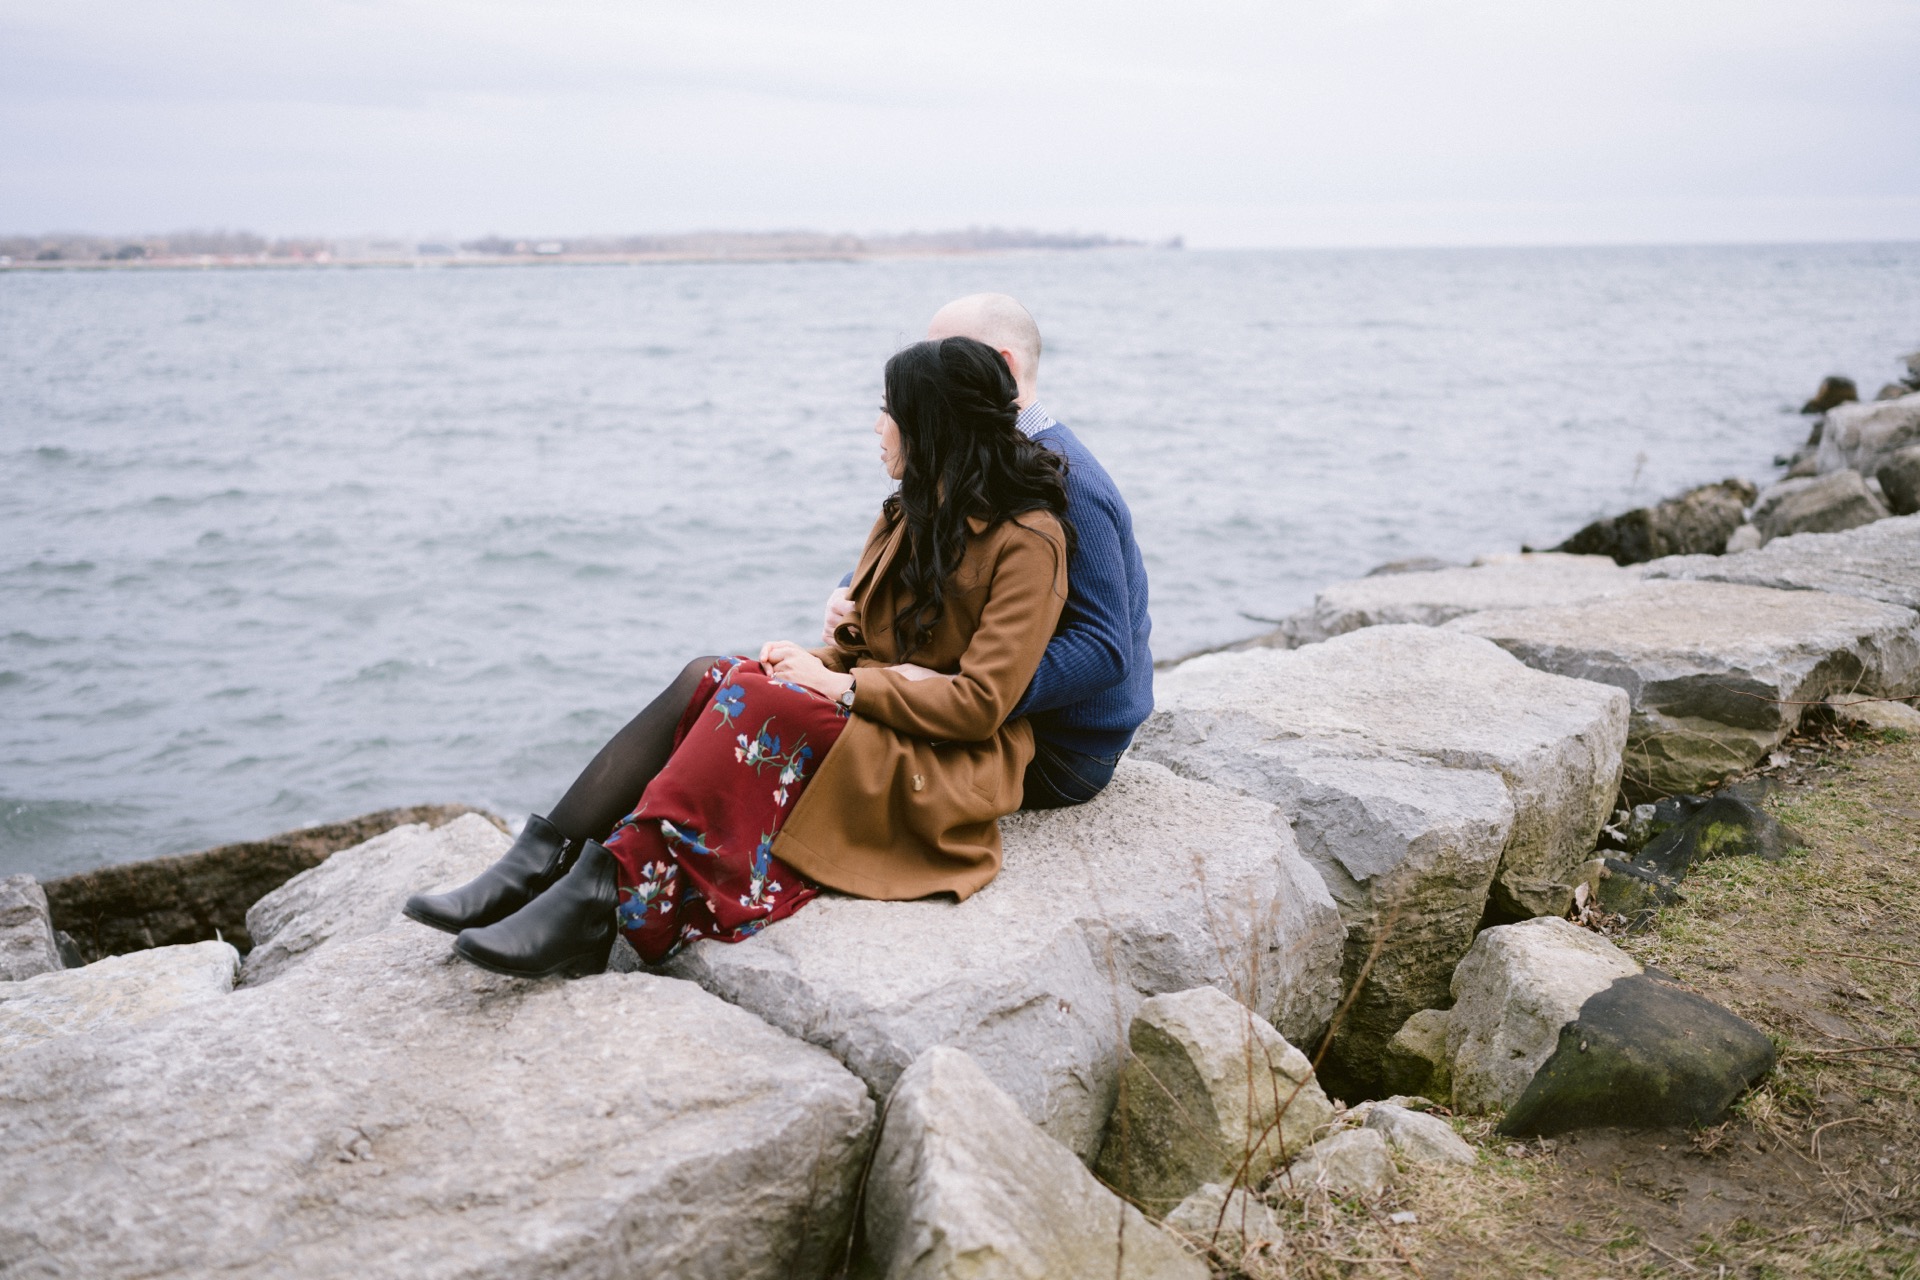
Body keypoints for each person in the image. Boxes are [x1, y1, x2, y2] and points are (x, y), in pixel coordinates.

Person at [405, 336, 1072, 977]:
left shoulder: (1028, 541)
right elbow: (866, 649)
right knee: (713, 673)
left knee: (751, 697)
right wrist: (808, 661)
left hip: (943, 760)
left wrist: (834, 686)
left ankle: (604, 893)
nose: (877, 427)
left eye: (889, 410)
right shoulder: (909, 513)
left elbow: (982, 705)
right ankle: (539, 860)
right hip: (883, 713)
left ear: (932, 424)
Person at [826, 294, 1152, 809]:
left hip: (1060, 746)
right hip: (980, 711)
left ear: (1000, 365)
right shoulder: (972, 461)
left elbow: (1103, 647)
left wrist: (955, 684)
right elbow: (955, 554)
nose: (928, 370)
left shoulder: (1073, 483)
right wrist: (854, 590)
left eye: (947, 352)